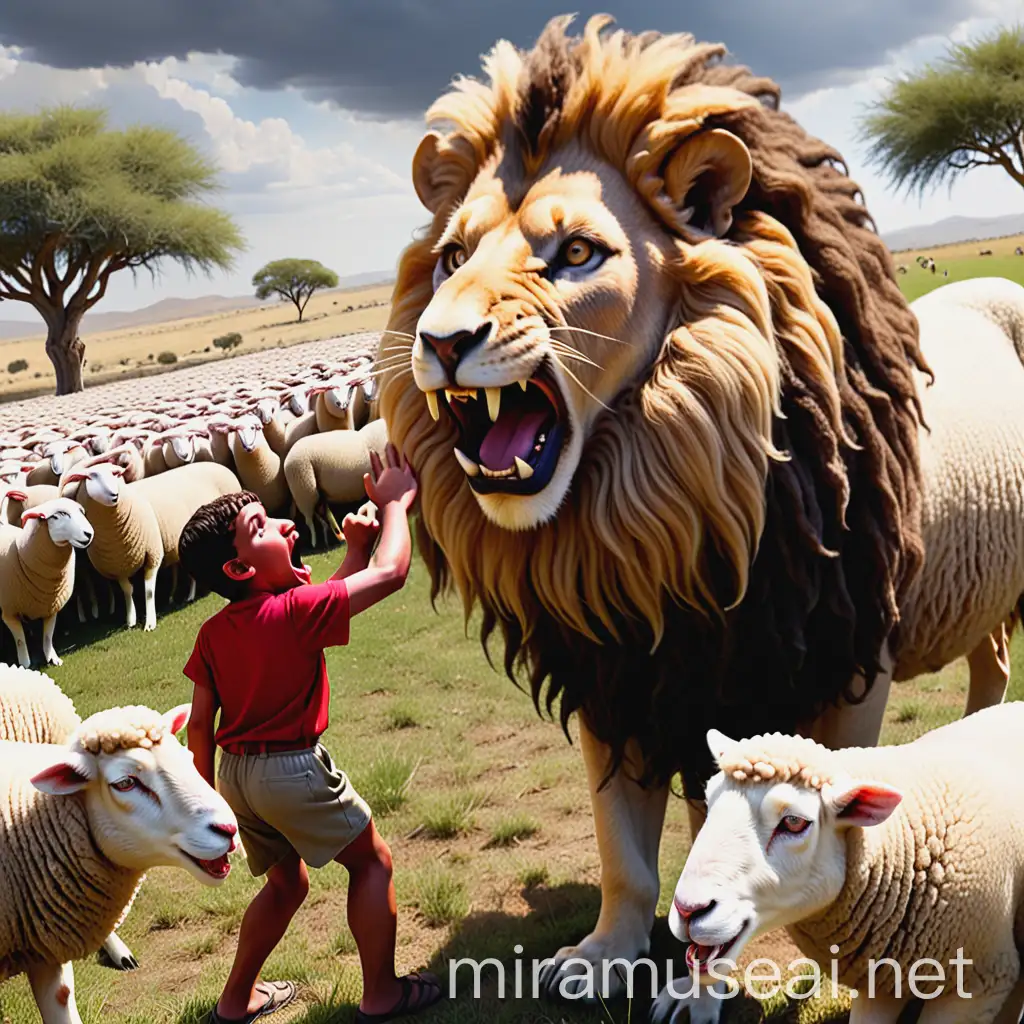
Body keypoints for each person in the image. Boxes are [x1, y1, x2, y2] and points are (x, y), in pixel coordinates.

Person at [179, 444, 441, 1024]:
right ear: (241, 568)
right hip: (291, 771)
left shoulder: (215, 633)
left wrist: (205, 804)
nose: (283, 523)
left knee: (286, 884)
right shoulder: (294, 612)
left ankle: (235, 999)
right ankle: (382, 994)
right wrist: (396, 504)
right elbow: (392, 573)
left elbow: (200, 724)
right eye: (261, 525)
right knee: (371, 862)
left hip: (237, 777)